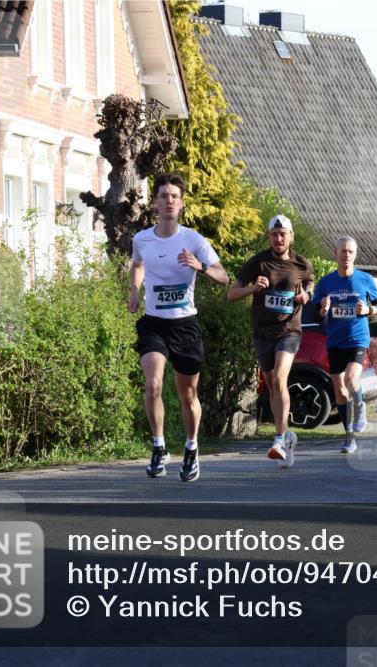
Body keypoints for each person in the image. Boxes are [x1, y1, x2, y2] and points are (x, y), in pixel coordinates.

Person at [129, 173, 229, 482]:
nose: (169, 200)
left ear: (181, 204)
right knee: (153, 384)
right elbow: (138, 264)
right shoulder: (142, 239)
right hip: (154, 324)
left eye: (174, 196)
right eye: (163, 195)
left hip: (185, 325)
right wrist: (134, 291)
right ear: (155, 203)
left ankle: (191, 447)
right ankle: (159, 447)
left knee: (188, 395)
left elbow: (223, 276)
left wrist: (200, 266)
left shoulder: (194, 240)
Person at [229, 215, 313, 467]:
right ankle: (287, 437)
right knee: (273, 386)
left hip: (289, 331)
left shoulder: (302, 264)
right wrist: (253, 289)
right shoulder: (258, 262)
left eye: (283, 234)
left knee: (279, 379)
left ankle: (278, 440)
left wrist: (306, 296)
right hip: (262, 332)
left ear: (291, 236)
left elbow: (310, 286)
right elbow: (232, 294)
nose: (278, 239)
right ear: (269, 237)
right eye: (274, 235)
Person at [313, 236, 377, 454]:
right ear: (336, 254)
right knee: (340, 393)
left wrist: (368, 311)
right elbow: (317, 315)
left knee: (352, 379)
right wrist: (323, 310)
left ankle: (360, 405)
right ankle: (349, 436)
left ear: (355, 255)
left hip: (357, 339)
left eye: (350, 251)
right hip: (335, 341)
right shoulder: (325, 283)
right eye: (342, 251)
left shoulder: (365, 279)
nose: (346, 255)